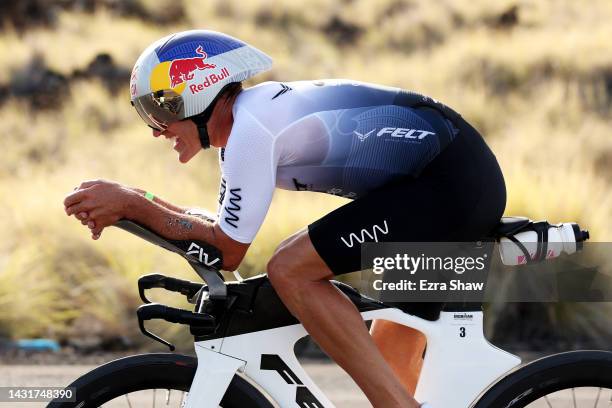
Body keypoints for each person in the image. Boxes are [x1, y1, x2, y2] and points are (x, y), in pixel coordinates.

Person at [64, 30, 506, 408]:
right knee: (389, 357)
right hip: (450, 180)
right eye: (146, 114)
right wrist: (135, 201)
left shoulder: (252, 131)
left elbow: (226, 251)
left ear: (196, 95)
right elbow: (219, 231)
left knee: (290, 268)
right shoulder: (249, 123)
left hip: (450, 185)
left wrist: (131, 205)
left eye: (160, 110)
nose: (156, 129)